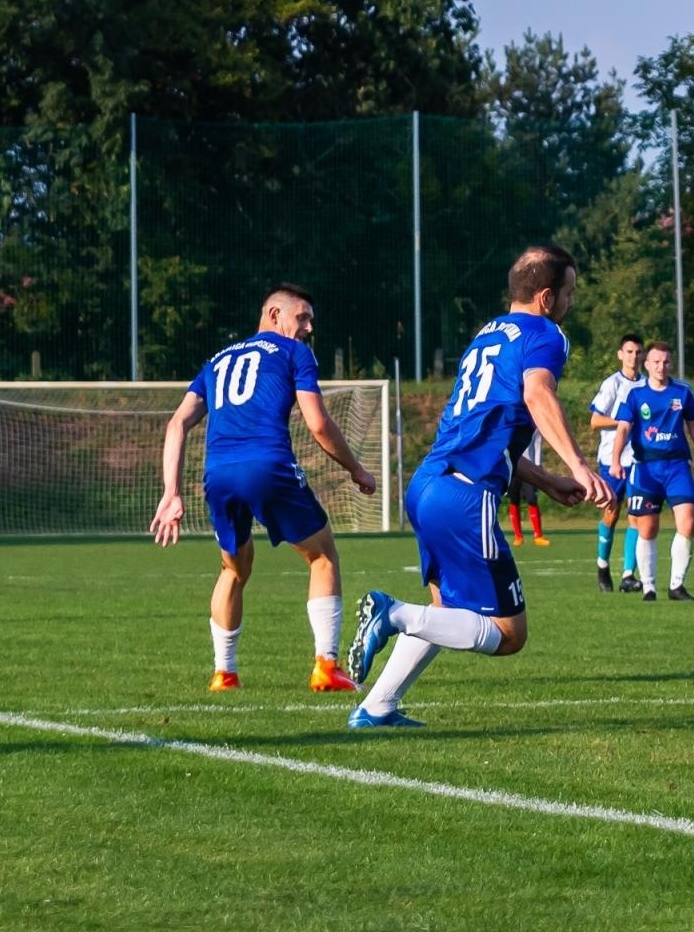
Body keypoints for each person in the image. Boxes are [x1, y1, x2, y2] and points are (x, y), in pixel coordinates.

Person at [345, 245, 613, 728]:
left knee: (445, 611)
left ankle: (377, 706)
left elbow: (484, 433)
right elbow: (536, 393)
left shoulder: (485, 337)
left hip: (428, 483)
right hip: (465, 495)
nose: (572, 303)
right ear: (547, 297)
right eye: (570, 293)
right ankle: (391, 614)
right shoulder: (546, 334)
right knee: (509, 633)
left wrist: (547, 479)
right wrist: (576, 463)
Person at [150, 283, 377, 693]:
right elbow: (318, 423)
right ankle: (326, 666)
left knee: (234, 568)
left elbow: (177, 422)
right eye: (302, 317)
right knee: (322, 555)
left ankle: (224, 673)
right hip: (267, 465)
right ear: (274, 314)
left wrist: (171, 491)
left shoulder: (217, 361)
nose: (308, 327)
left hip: (218, 474)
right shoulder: (295, 354)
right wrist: (357, 469)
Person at [610, 341, 694, 602]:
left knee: (688, 521)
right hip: (646, 468)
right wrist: (615, 461)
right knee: (647, 529)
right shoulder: (635, 395)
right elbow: (622, 429)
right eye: (656, 361)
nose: (661, 366)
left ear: (671, 363)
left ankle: (676, 585)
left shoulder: (683, 392)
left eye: (666, 361)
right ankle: (649, 586)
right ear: (647, 363)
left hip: (677, 466)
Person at [588, 334, 646, 592]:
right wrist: (624, 421)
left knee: (637, 515)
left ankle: (627, 575)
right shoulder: (612, 384)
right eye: (629, 351)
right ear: (620, 354)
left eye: (638, 352)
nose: (634, 357)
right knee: (612, 514)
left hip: (640, 461)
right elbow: (595, 421)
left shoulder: (648, 386)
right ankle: (602, 566)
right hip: (613, 459)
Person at [507, 431, 551, 547]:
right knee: (514, 499)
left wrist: (538, 465)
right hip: (513, 465)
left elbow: (537, 443)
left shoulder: (534, 424)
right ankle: (518, 536)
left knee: (532, 499)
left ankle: (538, 536)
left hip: (530, 467)